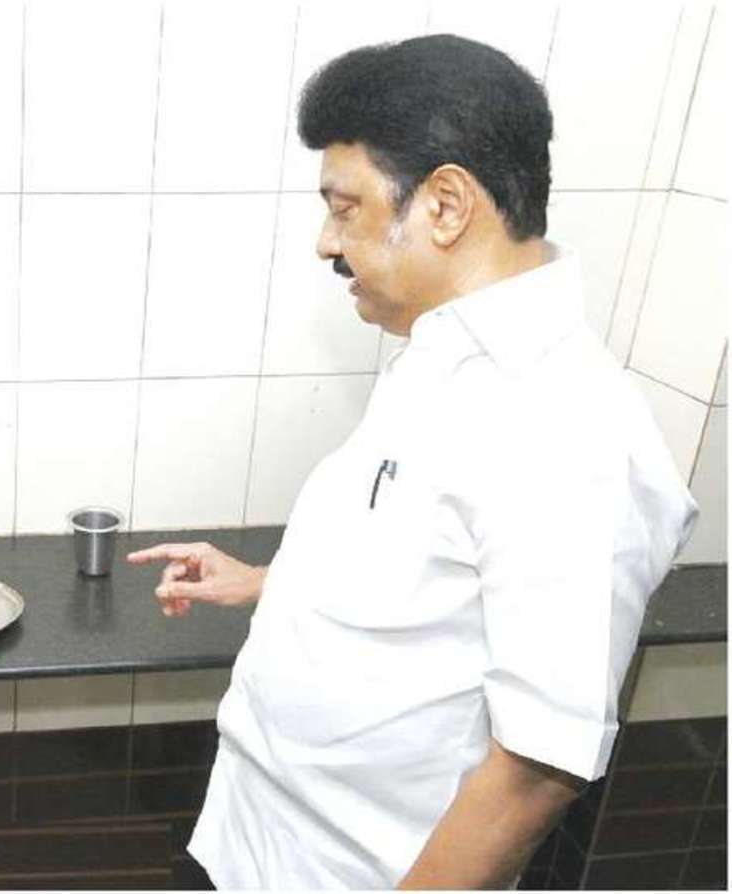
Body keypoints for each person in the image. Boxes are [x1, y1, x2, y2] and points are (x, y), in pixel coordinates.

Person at [129, 35, 697, 890]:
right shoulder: (437, 353)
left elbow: (537, 769)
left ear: (446, 205)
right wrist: (267, 582)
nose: (327, 242)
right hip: (250, 841)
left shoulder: (568, 431)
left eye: (345, 207)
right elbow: (424, 573)